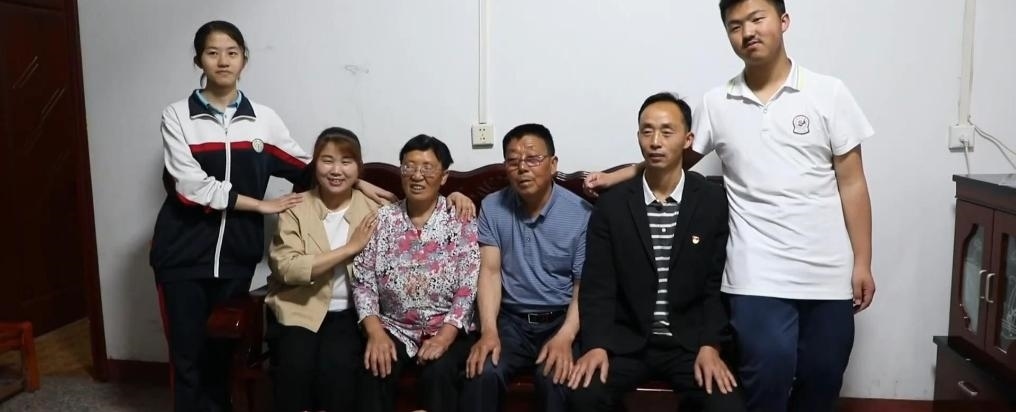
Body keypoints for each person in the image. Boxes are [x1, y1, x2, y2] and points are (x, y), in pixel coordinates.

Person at [586, 1, 876, 410]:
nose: (748, 32)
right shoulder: (717, 102)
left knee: (823, 377)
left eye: (757, 19)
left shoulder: (829, 93)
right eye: (735, 25)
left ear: (783, 21)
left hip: (826, 269)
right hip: (755, 273)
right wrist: (616, 177)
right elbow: (671, 157)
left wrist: (862, 261)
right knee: (768, 375)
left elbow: (853, 183)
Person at [149, 20, 312, 412]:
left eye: (232, 53)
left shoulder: (263, 120)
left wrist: (359, 183)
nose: (223, 61)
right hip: (182, 254)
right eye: (213, 53)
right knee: (188, 356)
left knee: (223, 357)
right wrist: (260, 205)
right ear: (198, 61)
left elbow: (307, 169)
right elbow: (189, 186)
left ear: (244, 61)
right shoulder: (178, 116)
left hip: (237, 255)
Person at [568, 92, 744, 412]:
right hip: (626, 342)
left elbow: (716, 285)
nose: (655, 142)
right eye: (647, 131)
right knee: (584, 396)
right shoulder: (612, 205)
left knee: (726, 405)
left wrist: (711, 344)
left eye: (666, 131)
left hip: (689, 343)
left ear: (688, 140)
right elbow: (598, 286)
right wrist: (596, 345)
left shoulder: (711, 202)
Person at [461, 124, 592, 412]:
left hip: (560, 320)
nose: (522, 168)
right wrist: (488, 331)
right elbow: (490, 272)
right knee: (482, 370)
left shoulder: (581, 213)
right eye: (513, 160)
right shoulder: (493, 206)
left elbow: (582, 286)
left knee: (555, 378)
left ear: (553, 164)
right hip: (511, 321)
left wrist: (566, 337)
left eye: (533, 159)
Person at [353, 135, 480, 412]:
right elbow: (363, 283)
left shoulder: (460, 219)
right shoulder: (382, 219)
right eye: (409, 166)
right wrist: (375, 333)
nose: (417, 175)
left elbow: (468, 287)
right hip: (394, 327)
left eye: (427, 167)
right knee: (374, 367)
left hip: (448, 327)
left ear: (444, 177)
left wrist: (444, 337)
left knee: (439, 372)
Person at [265, 127, 379, 412]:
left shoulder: (375, 208)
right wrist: (349, 249)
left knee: (338, 372)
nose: (336, 170)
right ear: (315, 165)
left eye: (346, 161)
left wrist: (455, 196)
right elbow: (286, 267)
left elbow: (419, 208)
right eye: (327, 161)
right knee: (295, 367)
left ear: (358, 167)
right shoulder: (295, 207)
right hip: (298, 308)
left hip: (351, 313)